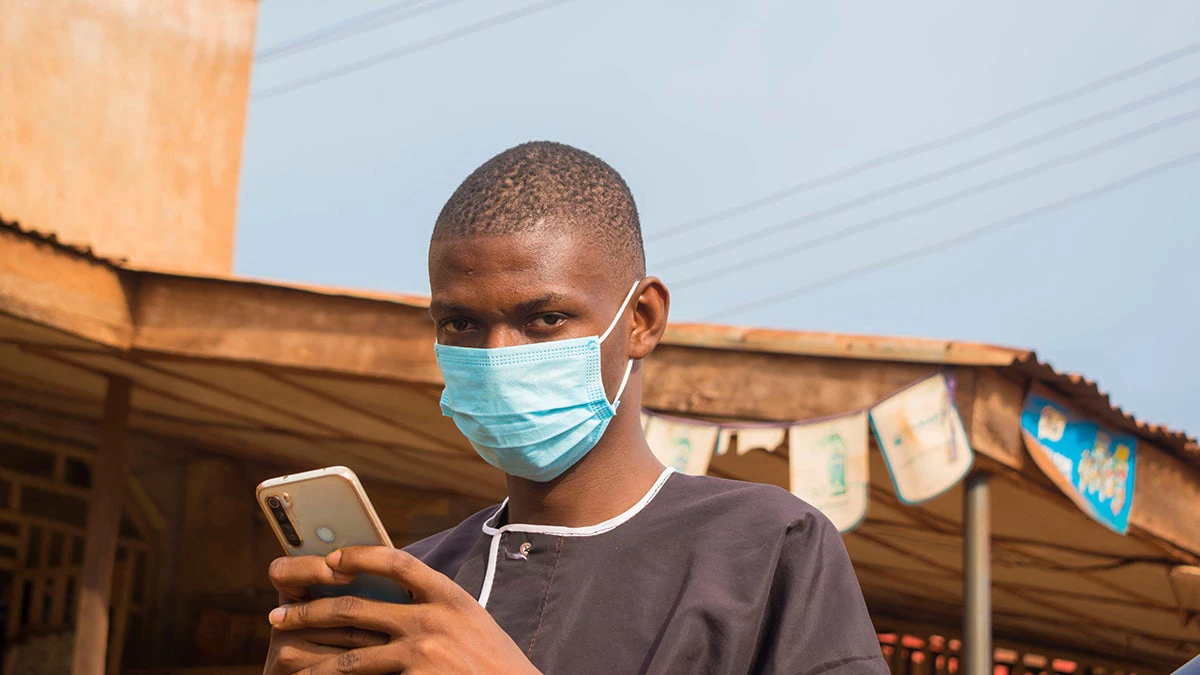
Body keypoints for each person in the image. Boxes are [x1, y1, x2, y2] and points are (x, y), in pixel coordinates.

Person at [264, 142, 888, 674]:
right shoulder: (414, 583)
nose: (496, 354)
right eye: (460, 322)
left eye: (544, 319)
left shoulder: (765, 547)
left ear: (641, 320)